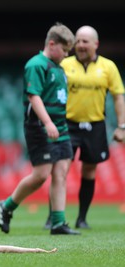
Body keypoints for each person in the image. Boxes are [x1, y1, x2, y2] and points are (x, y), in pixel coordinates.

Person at [0, 23, 80, 235]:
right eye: (65, 49)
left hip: (61, 127)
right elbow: (34, 96)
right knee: (42, 174)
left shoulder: (59, 69)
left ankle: (58, 222)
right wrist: (48, 122)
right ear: (52, 44)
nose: (67, 54)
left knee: (61, 172)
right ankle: (7, 206)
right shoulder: (36, 64)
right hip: (40, 127)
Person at [44, 25, 125, 229]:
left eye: (84, 41)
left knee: (89, 172)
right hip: (67, 125)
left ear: (96, 44)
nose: (80, 45)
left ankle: (82, 219)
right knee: (60, 170)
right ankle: (53, 217)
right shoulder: (63, 63)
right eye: (78, 41)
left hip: (95, 125)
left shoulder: (108, 67)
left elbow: (118, 97)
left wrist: (122, 126)